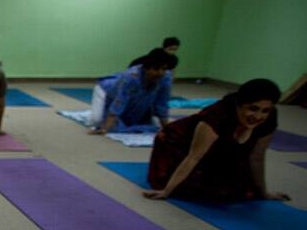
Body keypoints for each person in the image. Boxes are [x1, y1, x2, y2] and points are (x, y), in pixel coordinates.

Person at [144, 78, 289, 201]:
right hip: (176, 141)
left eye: (265, 110)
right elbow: (193, 157)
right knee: (197, 189)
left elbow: (257, 156)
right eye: (253, 108)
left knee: (239, 189)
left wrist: (263, 193)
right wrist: (166, 191)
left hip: (218, 147)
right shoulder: (216, 116)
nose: (258, 116)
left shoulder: (268, 119)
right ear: (239, 104)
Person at [89, 49, 177, 134]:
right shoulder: (131, 77)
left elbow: (162, 104)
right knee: (96, 120)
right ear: (146, 68)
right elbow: (119, 102)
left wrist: (166, 130)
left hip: (133, 99)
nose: (160, 73)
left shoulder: (166, 77)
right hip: (107, 91)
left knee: (155, 123)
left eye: (164, 69)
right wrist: (105, 128)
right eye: (156, 69)